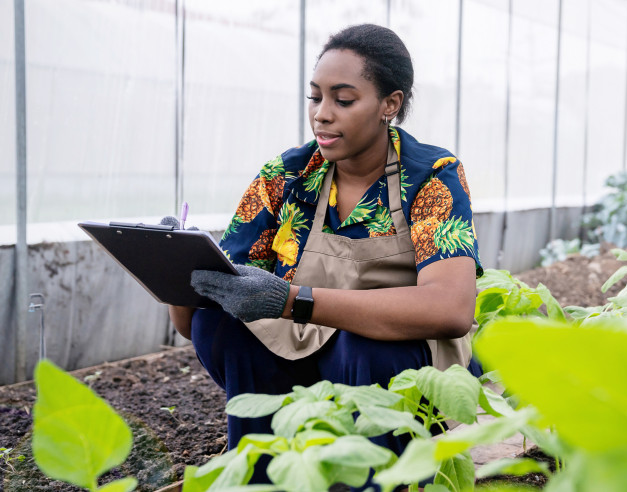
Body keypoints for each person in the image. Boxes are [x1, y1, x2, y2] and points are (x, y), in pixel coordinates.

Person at [167, 23, 483, 488]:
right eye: (315, 98)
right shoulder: (288, 175)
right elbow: (195, 320)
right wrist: (179, 270)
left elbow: (451, 310)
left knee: (366, 347)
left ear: (389, 105)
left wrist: (289, 300)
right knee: (220, 325)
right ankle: (263, 474)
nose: (323, 115)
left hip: (395, 366)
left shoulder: (430, 177)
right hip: (302, 356)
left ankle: (377, 478)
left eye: (344, 99)